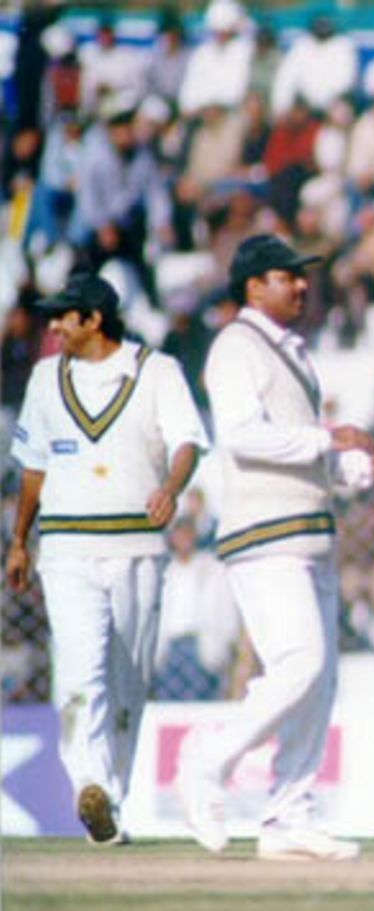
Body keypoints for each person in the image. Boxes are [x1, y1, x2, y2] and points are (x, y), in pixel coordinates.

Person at [176, 234, 374, 861]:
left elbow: (310, 457)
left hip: (309, 530)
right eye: (289, 276)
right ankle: (207, 758)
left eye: (303, 276)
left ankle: (288, 815)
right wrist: (330, 437)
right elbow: (244, 437)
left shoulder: (295, 353)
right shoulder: (236, 345)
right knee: (299, 664)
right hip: (263, 533)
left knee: (320, 680)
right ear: (255, 285)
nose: (303, 285)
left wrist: (364, 466)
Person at [5, 272, 208, 844]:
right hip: (67, 547)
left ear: (94, 320)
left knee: (126, 680)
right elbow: (34, 466)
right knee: (79, 670)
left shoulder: (157, 370)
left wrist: (171, 485)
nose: (54, 326)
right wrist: (20, 540)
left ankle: (109, 802)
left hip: (137, 546)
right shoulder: (47, 378)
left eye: (64, 316)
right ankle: (89, 783)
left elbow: (187, 440)